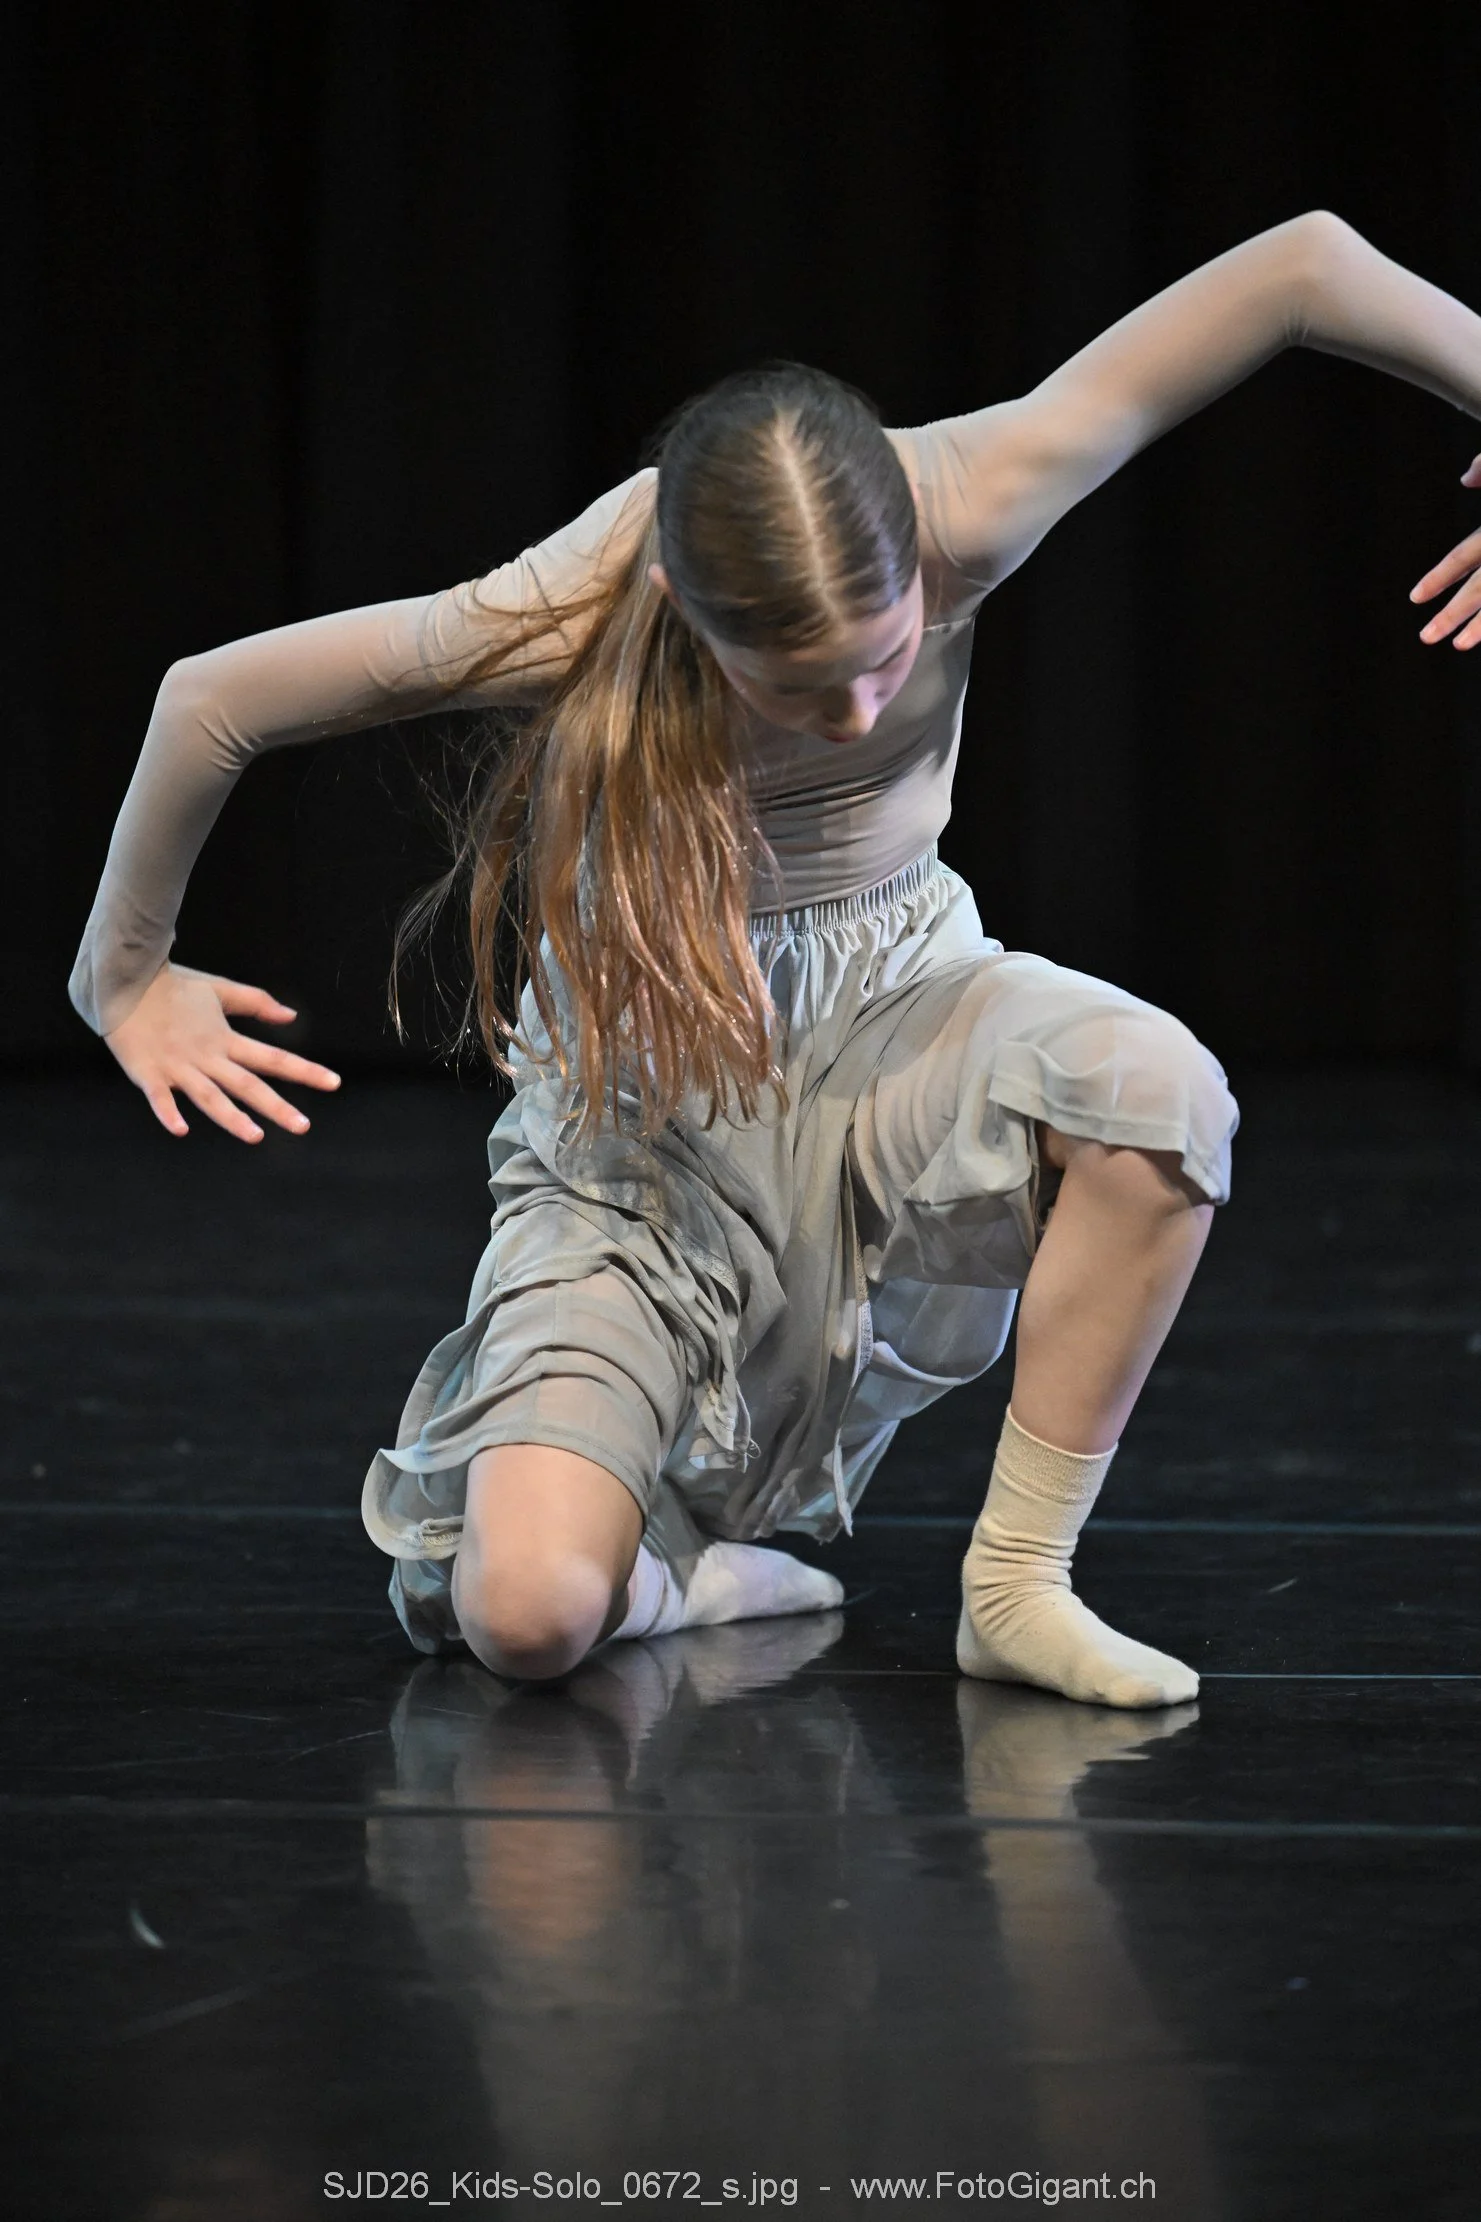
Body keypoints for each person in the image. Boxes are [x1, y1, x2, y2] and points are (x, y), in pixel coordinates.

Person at [72, 211, 1481, 1705]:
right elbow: (211, 701)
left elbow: (1305, 268)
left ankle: (1016, 1581)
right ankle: (687, 1585)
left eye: (888, 657)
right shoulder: (575, 610)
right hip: (644, 1116)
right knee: (526, 1617)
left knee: (1160, 1094)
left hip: (904, 1002)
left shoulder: (975, 498)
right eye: (804, 688)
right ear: (690, 615)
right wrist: (124, 976)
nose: (862, 713)